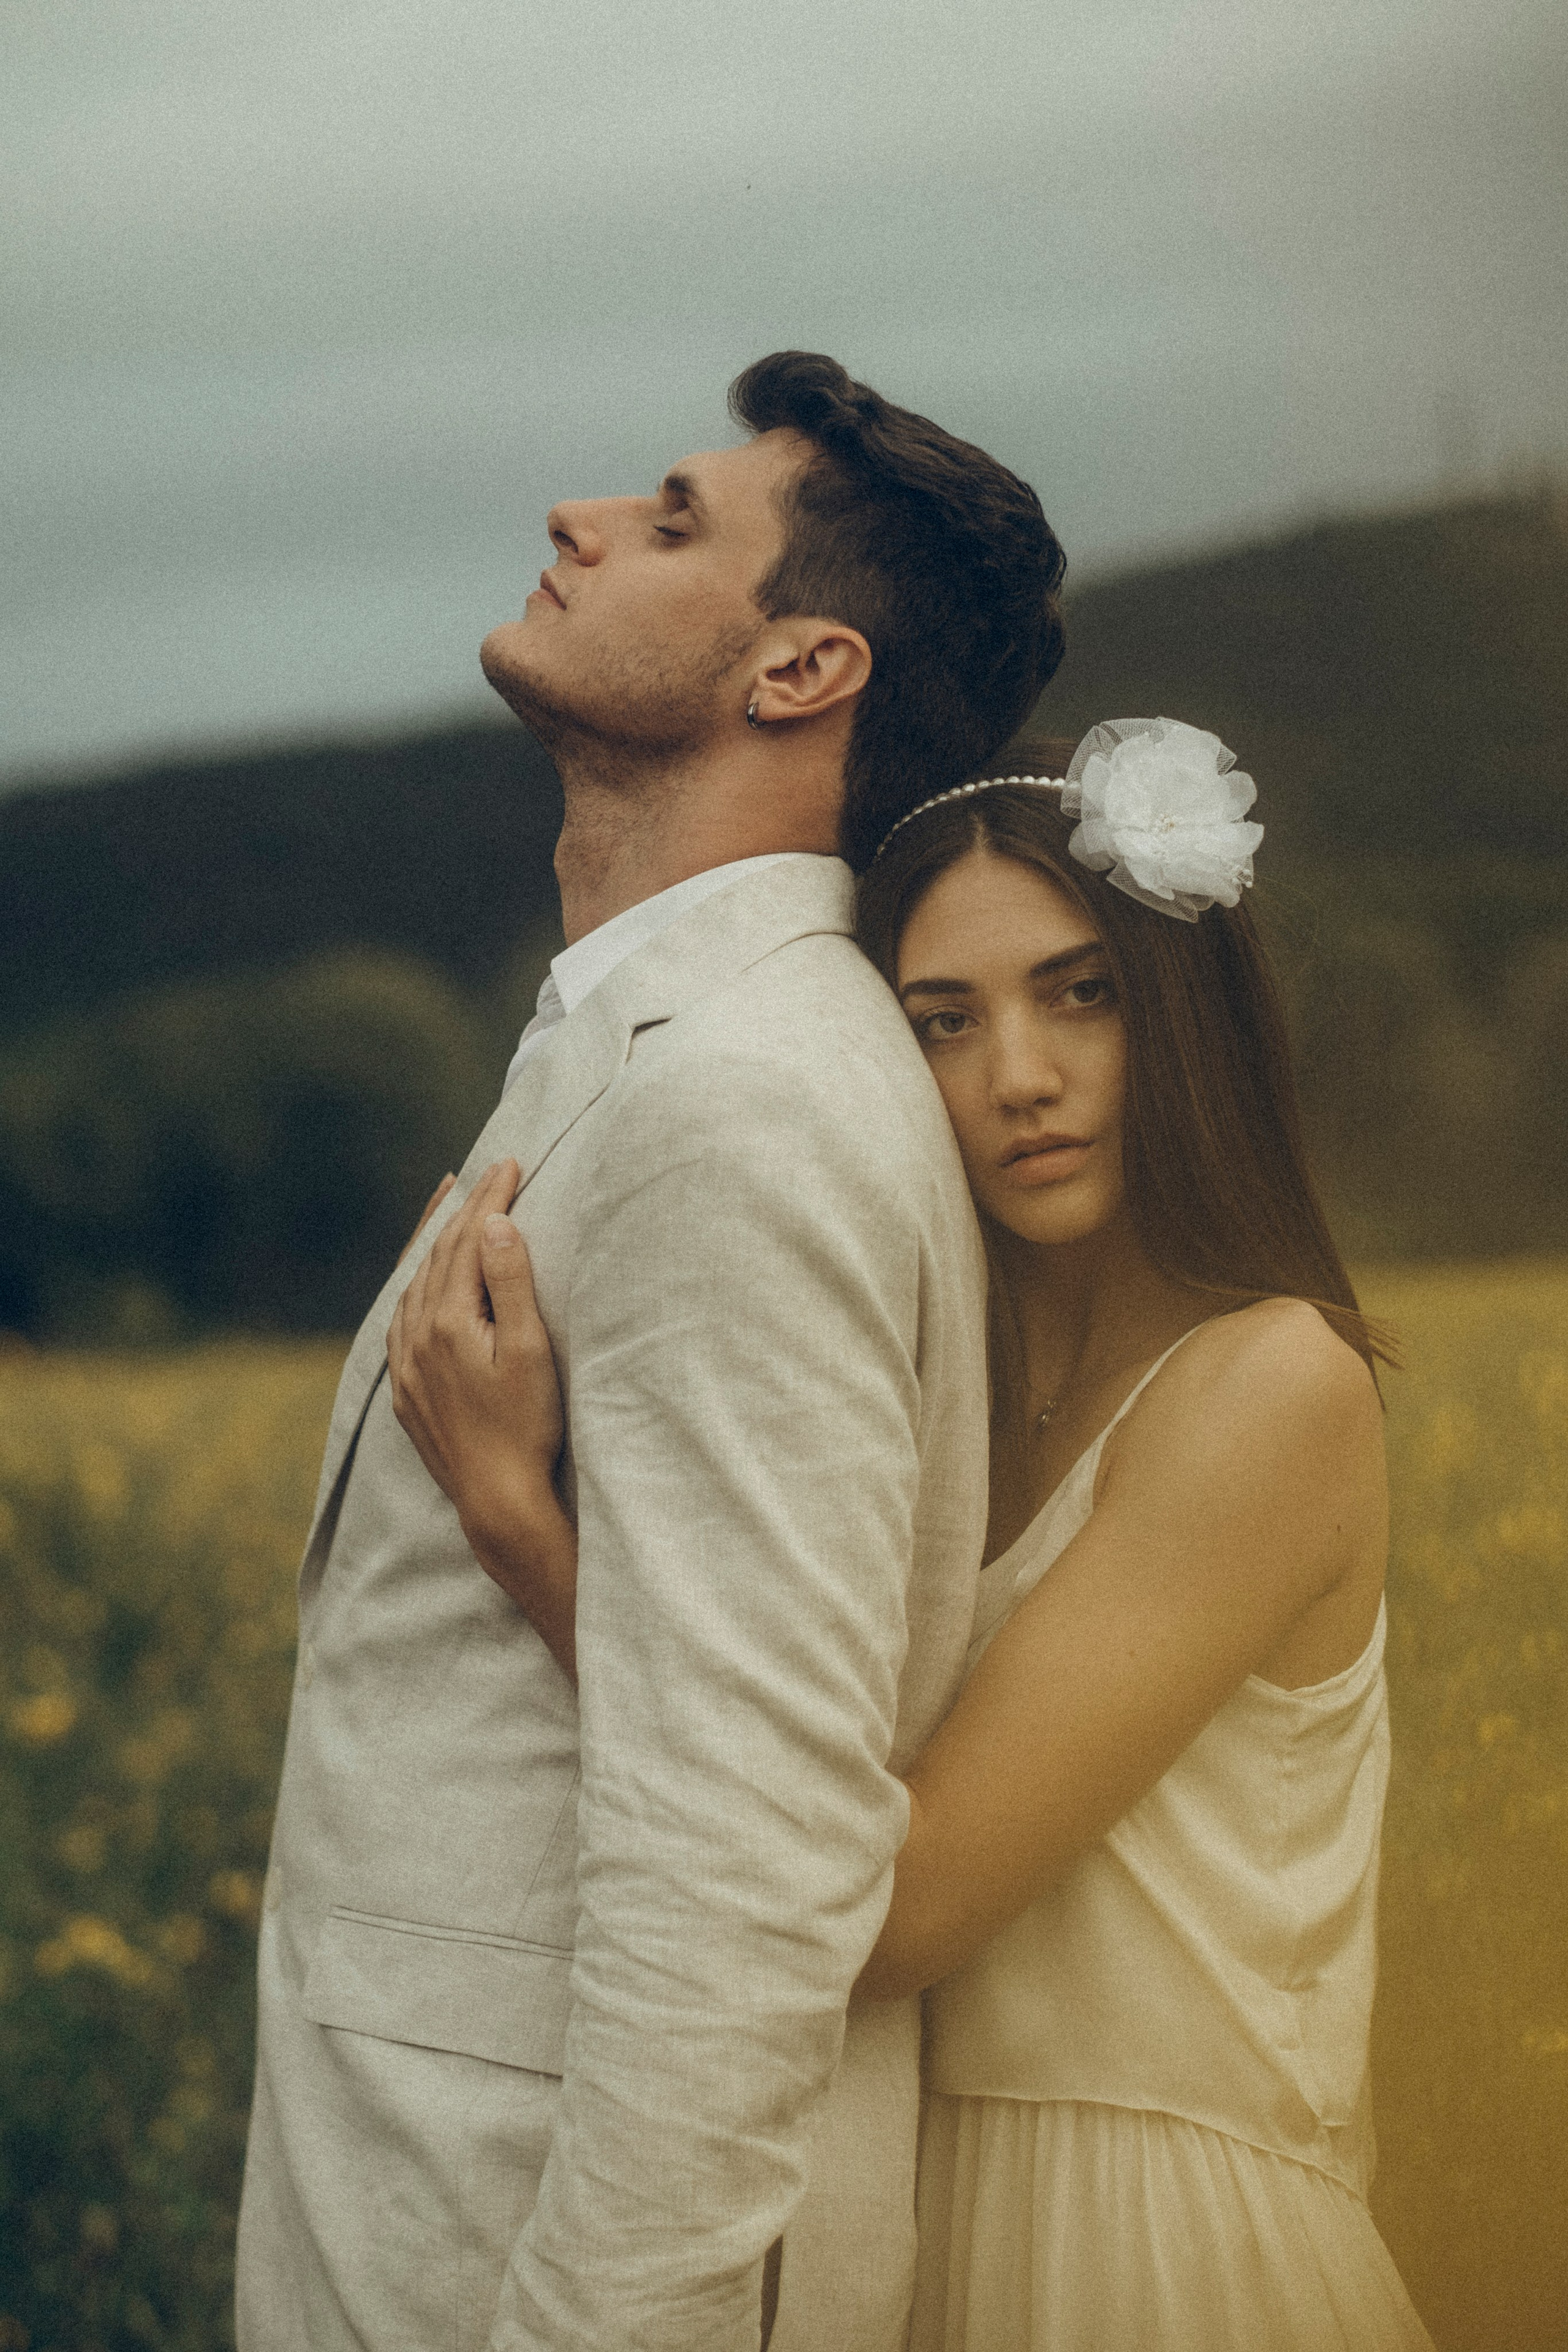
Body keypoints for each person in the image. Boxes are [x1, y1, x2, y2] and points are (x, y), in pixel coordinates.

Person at [392, 717, 1434, 2349]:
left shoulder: (1269, 1386)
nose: (1016, 1075)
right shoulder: (947, 1393)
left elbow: (903, 1907)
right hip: (903, 2221)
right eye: (942, 1024)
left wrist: (526, 1534)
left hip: (1167, 2256)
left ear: (1185, 1016)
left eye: (1079, 993)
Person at [234, 352, 1066, 2352]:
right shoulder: (646, 1051)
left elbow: (752, 1879)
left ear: (801, 673)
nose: (578, 519)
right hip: (408, 2205)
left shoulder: (747, 1105)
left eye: (675, 518)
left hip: (525, 2269)